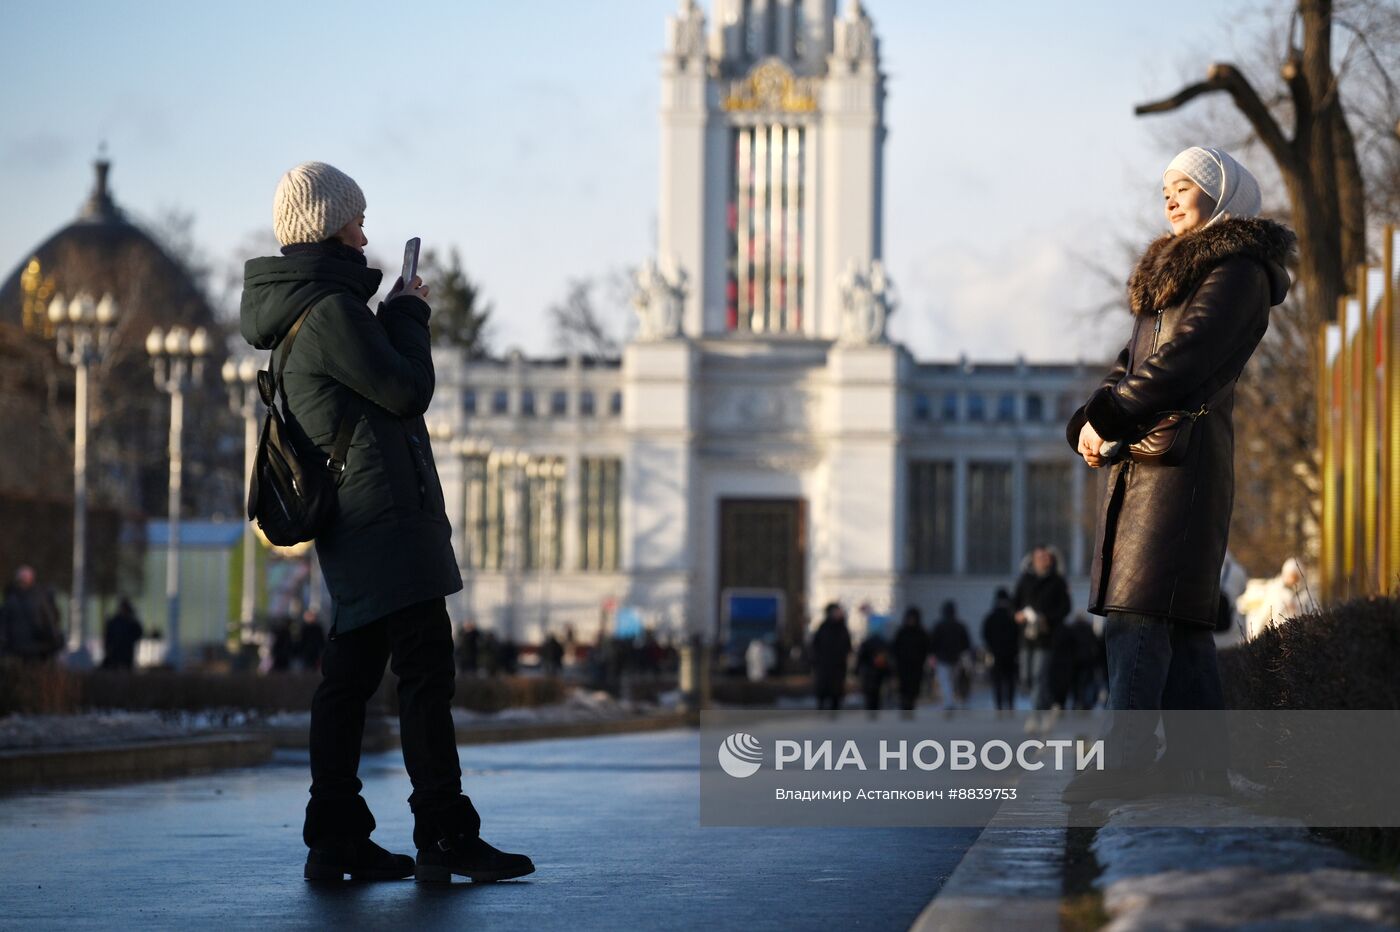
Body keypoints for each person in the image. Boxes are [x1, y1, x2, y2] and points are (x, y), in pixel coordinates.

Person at [240, 161, 532, 883]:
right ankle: (444, 834)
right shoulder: (332, 314)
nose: (364, 232)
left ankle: (335, 836)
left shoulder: (308, 313)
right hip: (383, 523)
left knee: (350, 680)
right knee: (426, 673)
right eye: (356, 219)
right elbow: (407, 390)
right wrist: (407, 313)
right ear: (327, 225)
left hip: (363, 524)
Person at [1062, 146, 1295, 802]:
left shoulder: (1237, 271)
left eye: (1185, 184)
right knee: (1181, 621)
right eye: (1164, 186)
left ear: (1219, 195)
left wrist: (1108, 416)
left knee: (1138, 615)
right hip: (1152, 459)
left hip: (1181, 465)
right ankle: (1199, 768)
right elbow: (1132, 359)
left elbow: (1184, 363)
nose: (1169, 196)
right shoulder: (1177, 269)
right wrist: (1093, 419)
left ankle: (1129, 760)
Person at [1012, 545, 1072, 712]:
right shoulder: (1025, 579)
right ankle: (1049, 704)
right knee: (1027, 677)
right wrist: (1017, 615)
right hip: (1026, 636)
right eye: (1039, 557)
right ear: (1033, 559)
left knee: (1039, 675)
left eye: (1046, 557)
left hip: (1046, 637)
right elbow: (1014, 603)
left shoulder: (1057, 581)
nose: (1043, 560)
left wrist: (1048, 618)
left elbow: (1065, 608)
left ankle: (1037, 713)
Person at [0, 566, 64, 664]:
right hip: (35, 648)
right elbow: (49, 622)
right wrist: (55, 640)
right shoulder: (39, 598)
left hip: (16, 648)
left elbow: (3, 624)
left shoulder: (10, 598)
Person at [980, 589, 1019, 711]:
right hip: (1011, 654)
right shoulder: (1012, 616)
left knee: (997, 680)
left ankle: (999, 705)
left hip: (996, 653)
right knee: (1010, 680)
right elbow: (1018, 634)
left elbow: (985, 634)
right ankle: (1010, 703)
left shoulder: (991, 617)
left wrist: (991, 647)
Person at [928, 601, 971, 710]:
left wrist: (932, 655)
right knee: (953, 681)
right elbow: (966, 643)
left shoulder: (939, 626)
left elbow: (933, 643)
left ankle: (949, 703)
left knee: (945, 681)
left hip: (942, 658)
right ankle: (953, 701)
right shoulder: (960, 626)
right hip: (956, 658)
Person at [811, 602, 852, 711]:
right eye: (835, 612)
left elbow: (848, 646)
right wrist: (816, 660)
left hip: (838, 666)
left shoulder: (843, 629)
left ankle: (835, 711)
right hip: (824, 665)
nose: (838, 614)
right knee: (823, 689)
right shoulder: (823, 628)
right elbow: (815, 645)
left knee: (836, 691)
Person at [890, 607, 930, 712]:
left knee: (914, 687)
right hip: (903, 665)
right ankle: (905, 706)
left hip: (917, 665)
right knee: (904, 687)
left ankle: (910, 705)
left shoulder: (921, 633)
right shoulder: (902, 632)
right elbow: (895, 647)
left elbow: (927, 647)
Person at [854, 627, 891, 711]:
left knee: (869, 692)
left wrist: (856, 670)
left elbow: (860, 658)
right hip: (878, 672)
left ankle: (870, 709)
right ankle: (874, 710)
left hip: (869, 672)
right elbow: (888, 660)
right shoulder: (884, 643)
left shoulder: (866, 643)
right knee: (877, 693)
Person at [101, 598, 144, 670]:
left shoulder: (131, 622)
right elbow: (108, 637)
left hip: (126, 655)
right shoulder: (115, 622)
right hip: (115, 655)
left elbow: (139, 633)